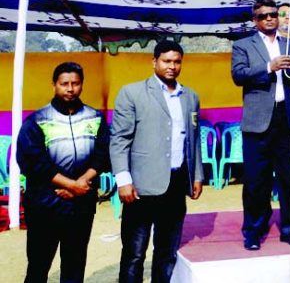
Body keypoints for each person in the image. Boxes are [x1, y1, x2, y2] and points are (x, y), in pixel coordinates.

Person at [110, 40, 204, 283]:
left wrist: (196, 175)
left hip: (175, 183)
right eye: (166, 61)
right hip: (140, 186)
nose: (172, 66)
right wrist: (123, 180)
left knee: (166, 252)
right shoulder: (132, 93)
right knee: (134, 253)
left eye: (177, 61)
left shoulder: (191, 96)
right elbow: (119, 139)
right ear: (154, 62)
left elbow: (194, 140)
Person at [231, 0, 290, 250]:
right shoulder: (243, 45)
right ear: (255, 20)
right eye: (263, 15)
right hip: (257, 122)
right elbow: (238, 75)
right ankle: (254, 230)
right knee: (257, 181)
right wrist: (269, 66)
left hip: (286, 120)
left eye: (273, 15)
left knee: (289, 179)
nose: (269, 18)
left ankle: (289, 229)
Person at [17, 61, 110, 283]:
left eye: (75, 84)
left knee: (74, 264)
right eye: (64, 84)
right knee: (39, 264)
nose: (70, 89)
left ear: (82, 85)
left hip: (81, 204)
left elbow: (103, 154)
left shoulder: (95, 118)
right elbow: (32, 162)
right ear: (54, 85)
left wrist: (81, 184)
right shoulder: (37, 121)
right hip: (45, 204)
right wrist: (69, 185)